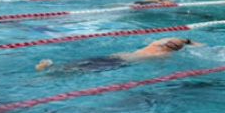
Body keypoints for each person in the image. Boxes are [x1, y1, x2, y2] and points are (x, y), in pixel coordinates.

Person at [36, 38, 203, 72]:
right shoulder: (164, 56)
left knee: (82, 63)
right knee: (81, 70)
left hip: (114, 56)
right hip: (120, 64)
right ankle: (54, 69)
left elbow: (181, 39)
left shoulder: (154, 44)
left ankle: (53, 66)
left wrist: (189, 42)